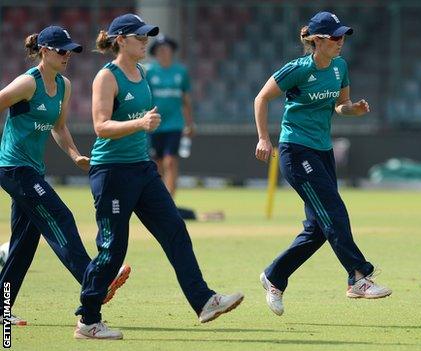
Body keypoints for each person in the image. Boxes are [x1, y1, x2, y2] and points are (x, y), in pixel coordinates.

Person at [73, 14, 243, 340]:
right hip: (112, 173)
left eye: (147, 35)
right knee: (112, 249)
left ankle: (204, 301)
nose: (146, 41)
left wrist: (147, 126)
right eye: (140, 36)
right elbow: (101, 127)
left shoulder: (143, 73)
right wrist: (139, 124)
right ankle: (88, 321)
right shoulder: (106, 77)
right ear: (121, 40)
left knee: (175, 232)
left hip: (142, 169)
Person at [254, 11, 392, 316]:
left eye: (342, 36)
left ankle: (275, 276)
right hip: (296, 151)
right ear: (316, 40)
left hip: (323, 151)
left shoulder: (340, 66)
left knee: (318, 228)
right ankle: (358, 276)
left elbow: (340, 106)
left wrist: (352, 109)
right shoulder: (298, 69)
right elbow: (262, 98)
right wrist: (264, 138)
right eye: (334, 37)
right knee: (334, 210)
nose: (340, 42)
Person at [0, 26, 130, 326]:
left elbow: (59, 127)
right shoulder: (26, 83)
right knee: (60, 216)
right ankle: (93, 280)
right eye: (61, 50)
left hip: (32, 169)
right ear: (44, 51)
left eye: (69, 50)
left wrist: (74, 155)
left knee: (23, 244)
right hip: (13, 169)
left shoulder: (63, 85)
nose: (67, 55)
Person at [145, 35, 224, 221]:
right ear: (155, 52)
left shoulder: (180, 72)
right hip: (154, 125)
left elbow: (186, 100)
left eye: (167, 49)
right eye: (160, 49)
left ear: (172, 51)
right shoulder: (149, 72)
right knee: (156, 165)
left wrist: (190, 123)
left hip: (174, 125)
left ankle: (169, 201)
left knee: (170, 161)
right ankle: (159, 198)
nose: (164, 52)